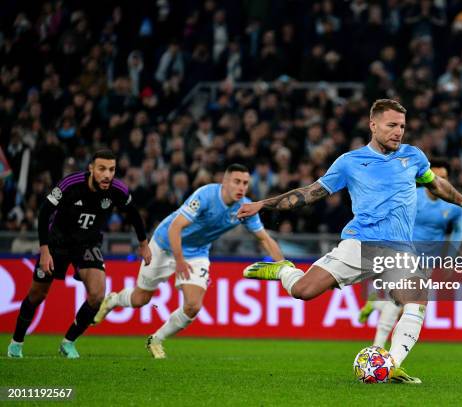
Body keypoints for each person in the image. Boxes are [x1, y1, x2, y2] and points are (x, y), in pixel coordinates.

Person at [238, 99, 462, 384]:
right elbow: (310, 193)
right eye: (392, 125)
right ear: (373, 125)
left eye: (402, 126)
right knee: (303, 291)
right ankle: (284, 269)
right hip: (358, 245)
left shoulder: (413, 157)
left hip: (398, 250)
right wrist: (263, 204)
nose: (398, 132)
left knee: (417, 300)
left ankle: (391, 364)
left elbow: (436, 184)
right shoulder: (349, 162)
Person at [93, 164, 285, 358]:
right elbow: (175, 227)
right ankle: (114, 300)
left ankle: (156, 340)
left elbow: (265, 239)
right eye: (236, 182)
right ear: (224, 182)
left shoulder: (245, 207)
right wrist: (179, 260)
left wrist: (283, 267)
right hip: (164, 245)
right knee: (140, 299)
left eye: (245, 183)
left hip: (197, 252)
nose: (241, 187)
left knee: (193, 305)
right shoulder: (205, 195)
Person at [7, 150, 151, 359]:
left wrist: (143, 244)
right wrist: (45, 251)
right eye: (102, 169)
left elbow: (134, 214)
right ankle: (16, 342)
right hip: (58, 243)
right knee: (37, 295)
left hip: (87, 244)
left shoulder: (117, 190)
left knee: (97, 294)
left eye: (111, 170)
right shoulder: (71, 184)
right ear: (91, 169)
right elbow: (44, 212)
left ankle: (68, 342)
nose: (107, 175)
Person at [357, 159, 462, 348]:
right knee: (400, 302)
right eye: (437, 177)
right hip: (403, 253)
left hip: (428, 260)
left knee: (408, 306)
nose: (440, 182)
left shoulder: (453, 206)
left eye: (444, 178)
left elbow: (459, 230)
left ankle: (374, 306)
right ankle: (377, 349)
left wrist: (451, 257)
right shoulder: (413, 196)